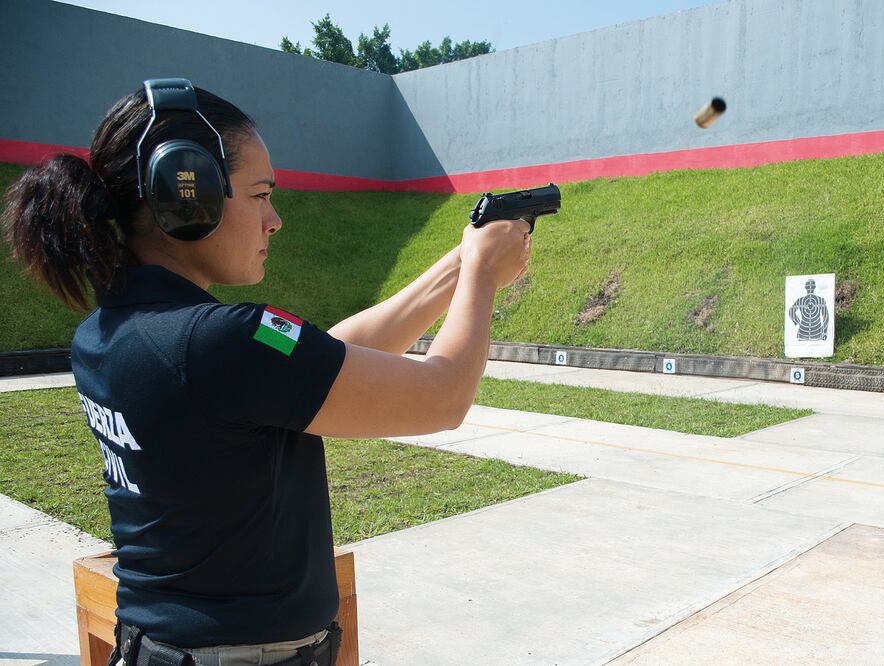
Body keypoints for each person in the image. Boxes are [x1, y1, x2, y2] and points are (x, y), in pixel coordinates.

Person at [1, 79, 530, 665]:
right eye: (259, 195)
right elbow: (443, 396)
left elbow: (320, 362)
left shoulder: (110, 334)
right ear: (187, 195)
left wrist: (459, 263)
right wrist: (482, 275)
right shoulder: (221, 341)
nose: (273, 220)